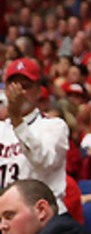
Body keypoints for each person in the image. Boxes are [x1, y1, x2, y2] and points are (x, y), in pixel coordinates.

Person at [0, 59, 70, 211]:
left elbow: (44, 161)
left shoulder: (54, 126)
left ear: (38, 91)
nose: (20, 93)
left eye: (26, 87)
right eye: (14, 87)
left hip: (44, 216)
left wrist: (17, 119)